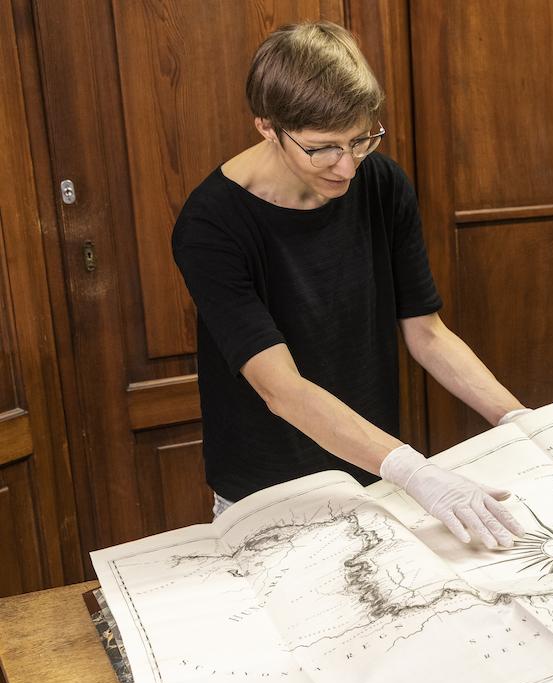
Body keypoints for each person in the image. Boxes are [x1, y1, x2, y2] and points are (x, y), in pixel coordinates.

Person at [173, 21, 528, 549]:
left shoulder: (382, 183)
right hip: (265, 495)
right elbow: (281, 388)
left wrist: (518, 420)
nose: (347, 166)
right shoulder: (211, 223)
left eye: (361, 139)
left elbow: (427, 332)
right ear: (267, 127)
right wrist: (416, 471)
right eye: (323, 148)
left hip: (372, 473)